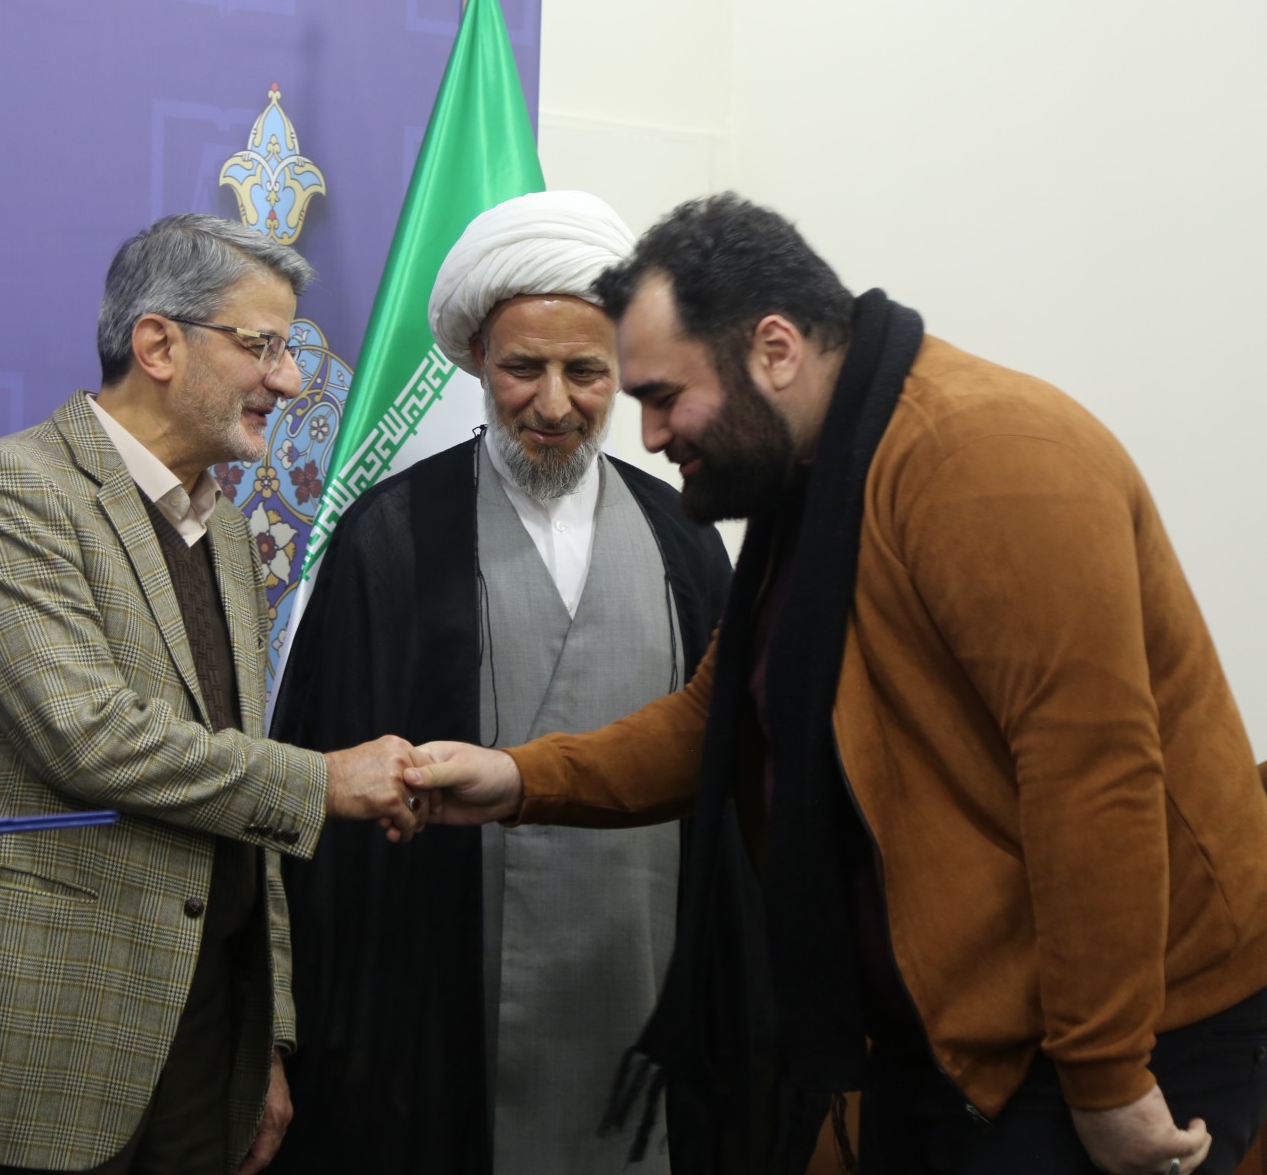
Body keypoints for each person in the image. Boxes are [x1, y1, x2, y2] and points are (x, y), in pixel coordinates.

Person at [407, 192, 1267, 1175]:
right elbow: (721, 719)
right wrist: (519, 777)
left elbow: (1093, 780)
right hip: (944, 1033)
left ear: (774, 350)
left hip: (1119, 1036)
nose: (647, 434)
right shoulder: (820, 470)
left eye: (664, 395)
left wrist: (1106, 1076)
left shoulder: (989, 456)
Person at [0, 213, 426, 1175]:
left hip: (209, 1047)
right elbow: (89, 736)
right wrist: (325, 781)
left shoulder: (230, 537)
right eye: (264, 346)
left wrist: (268, 1038)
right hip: (45, 1039)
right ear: (160, 343)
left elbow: (244, 795)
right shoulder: (8, 490)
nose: (291, 381)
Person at [268, 191, 730, 1174]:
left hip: (647, 1001)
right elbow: (323, 816)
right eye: (523, 368)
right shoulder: (391, 536)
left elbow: (731, 792)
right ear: (477, 357)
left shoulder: (685, 540)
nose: (553, 404)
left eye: (585, 371)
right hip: (438, 1028)